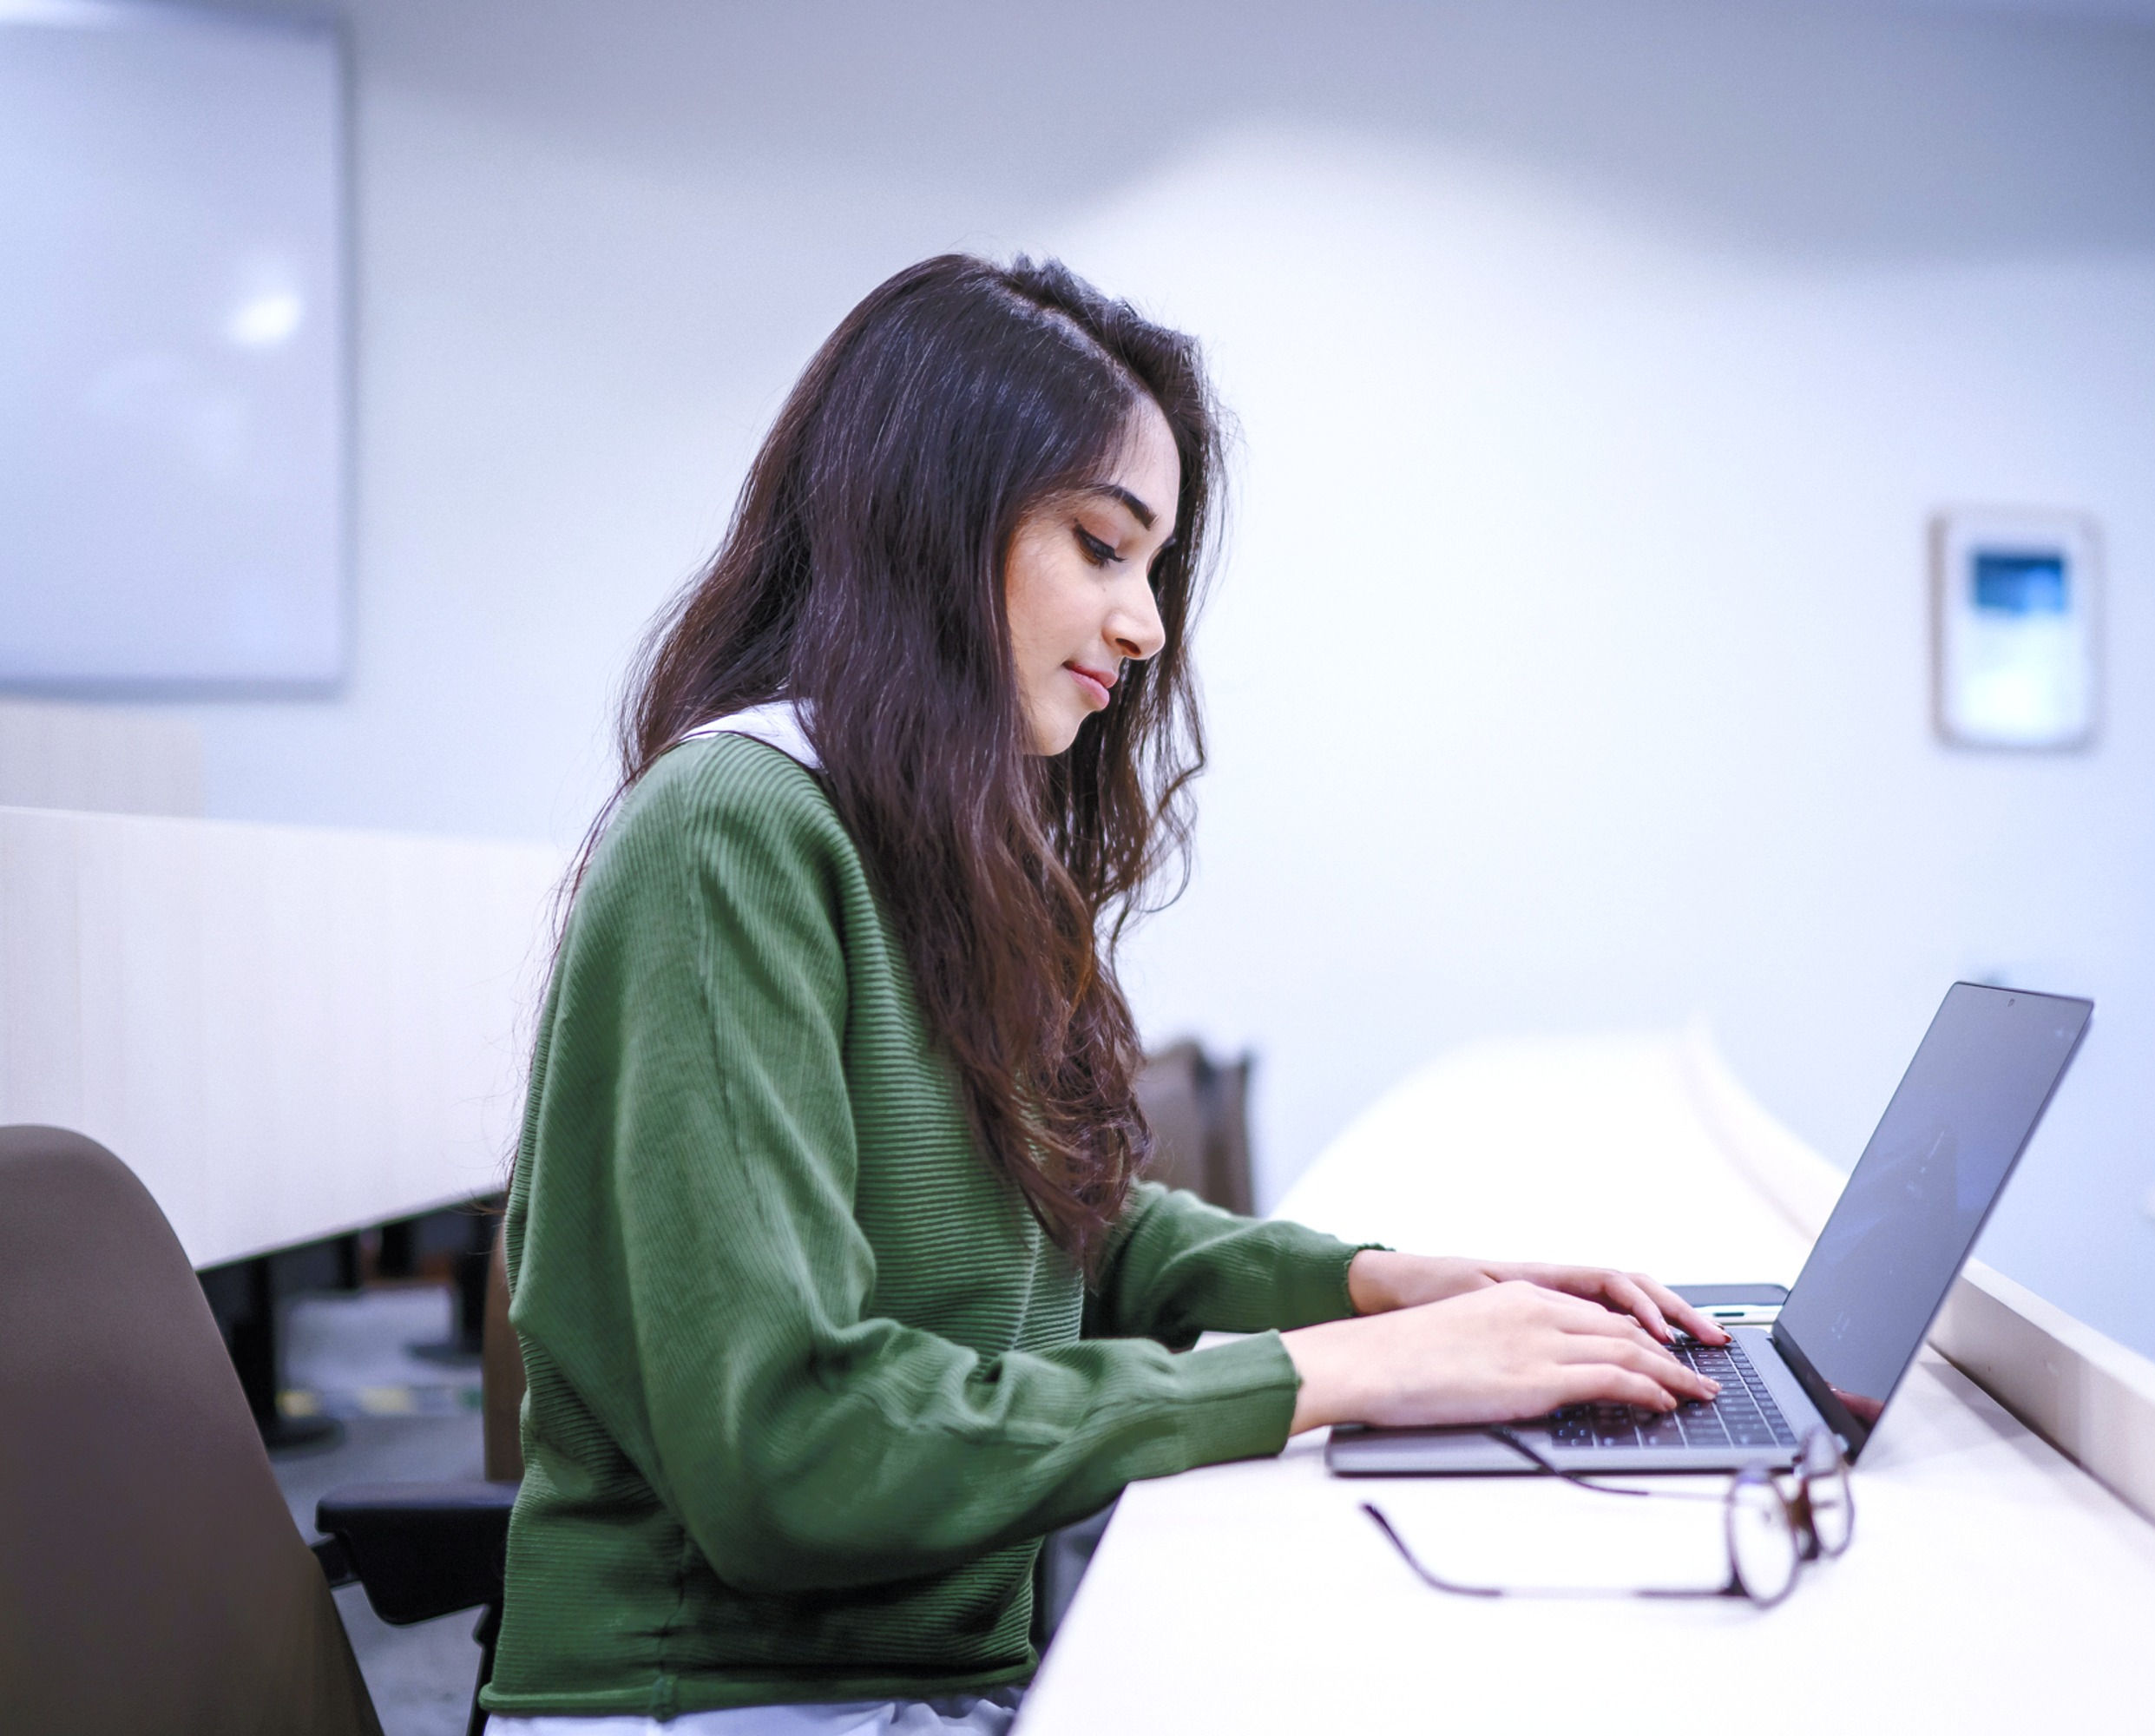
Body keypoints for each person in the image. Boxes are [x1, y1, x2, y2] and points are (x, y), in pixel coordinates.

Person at [482, 254, 1727, 1735]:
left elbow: (1064, 1219)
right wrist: (1338, 1372)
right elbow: (791, 1452)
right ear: (928, 525)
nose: (1143, 629)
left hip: (931, 1682)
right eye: (1101, 545)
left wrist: (1373, 1287)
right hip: (728, 1704)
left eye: (1152, 569)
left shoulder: (931, 844)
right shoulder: (732, 833)